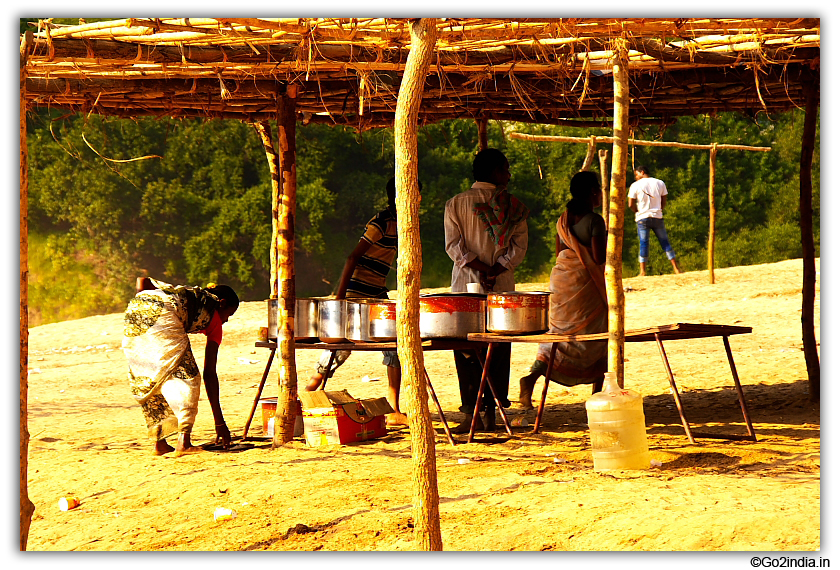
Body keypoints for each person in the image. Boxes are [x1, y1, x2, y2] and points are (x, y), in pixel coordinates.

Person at [305, 177, 408, 427]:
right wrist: (339, 299)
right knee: (340, 349)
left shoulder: (406, 224)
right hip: (357, 293)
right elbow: (352, 257)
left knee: (394, 346)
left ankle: (394, 409)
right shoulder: (381, 223)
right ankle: (310, 390)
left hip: (378, 293)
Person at [444, 148, 529, 432]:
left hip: (465, 287)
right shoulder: (513, 205)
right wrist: (496, 268)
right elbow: (519, 248)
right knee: (499, 347)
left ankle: (470, 413)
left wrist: (479, 267)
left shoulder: (455, 204)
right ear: (494, 172)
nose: (509, 174)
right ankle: (493, 412)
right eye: (505, 168)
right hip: (501, 286)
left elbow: (454, 247)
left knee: (466, 347)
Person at [519, 171, 608, 408]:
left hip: (561, 282)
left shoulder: (563, 220)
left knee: (557, 335)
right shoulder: (595, 221)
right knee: (596, 334)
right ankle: (597, 392)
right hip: (586, 284)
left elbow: (562, 253)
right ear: (593, 192)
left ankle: (531, 379)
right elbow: (599, 258)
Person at [123, 277, 239, 457]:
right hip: (164, 313)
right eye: (228, 315)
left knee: (151, 378)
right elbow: (209, 374)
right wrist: (220, 424)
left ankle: (159, 443)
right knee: (189, 377)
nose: (226, 321)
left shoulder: (191, 295)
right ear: (221, 304)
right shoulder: (215, 320)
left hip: (136, 312)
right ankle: (183, 442)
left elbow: (143, 281)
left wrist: (146, 301)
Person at [627, 165, 682, 276]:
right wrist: (659, 210)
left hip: (642, 217)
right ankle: (676, 268)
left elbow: (630, 204)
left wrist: (636, 211)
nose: (636, 177)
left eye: (636, 174)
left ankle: (642, 271)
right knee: (665, 242)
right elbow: (664, 200)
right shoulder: (660, 183)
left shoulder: (635, 186)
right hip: (657, 216)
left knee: (644, 243)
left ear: (642, 172)